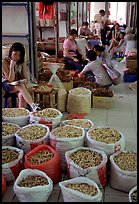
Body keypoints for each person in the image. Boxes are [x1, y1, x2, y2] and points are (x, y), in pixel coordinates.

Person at [2, 42, 41, 111]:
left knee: (21, 95)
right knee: (21, 86)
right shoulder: (4, 62)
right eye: (15, 54)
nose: (17, 57)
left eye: (19, 55)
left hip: (17, 84)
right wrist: (11, 67)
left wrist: (21, 81)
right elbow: (10, 80)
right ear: (11, 52)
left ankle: (20, 116)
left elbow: (25, 78)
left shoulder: (22, 62)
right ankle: (33, 105)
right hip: (7, 84)